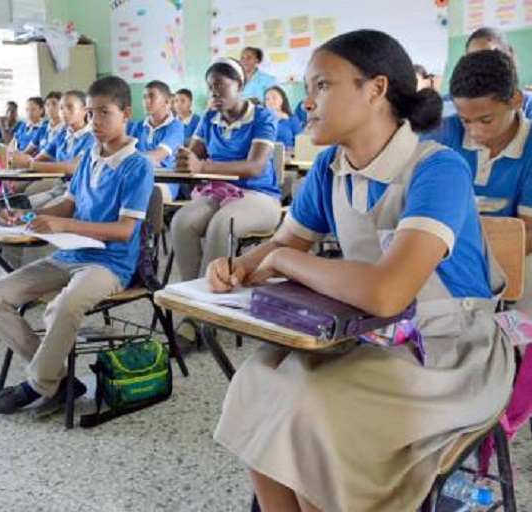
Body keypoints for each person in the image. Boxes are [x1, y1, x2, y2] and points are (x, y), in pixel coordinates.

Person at [208, 30, 513, 511]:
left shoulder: (438, 170)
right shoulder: (330, 167)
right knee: (258, 379)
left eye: (323, 85)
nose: (307, 102)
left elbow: (387, 293)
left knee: (315, 406)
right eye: (308, 88)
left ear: (376, 89)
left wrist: (282, 261)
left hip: (449, 350)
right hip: (368, 333)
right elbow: (284, 242)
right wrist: (240, 265)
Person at [0, 75, 154, 414]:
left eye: (104, 113)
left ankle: (37, 384)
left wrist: (64, 224)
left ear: (126, 113)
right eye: (91, 113)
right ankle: (57, 379)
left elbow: (124, 231)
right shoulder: (89, 156)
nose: (95, 121)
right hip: (69, 254)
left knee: (63, 306)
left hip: (110, 263)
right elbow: (69, 204)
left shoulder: (138, 165)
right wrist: (30, 216)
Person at [424, 49, 532, 312]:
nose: (474, 132)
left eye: (486, 120)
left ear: (516, 100)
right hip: (444, 265)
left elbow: (526, 234)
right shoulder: (441, 134)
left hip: (508, 262)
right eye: (465, 120)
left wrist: (472, 273)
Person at [171, 58, 282, 281]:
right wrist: (184, 160)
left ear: (239, 85)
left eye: (221, 85)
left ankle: (208, 296)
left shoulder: (263, 117)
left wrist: (202, 166)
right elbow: (193, 155)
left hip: (260, 196)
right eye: (211, 87)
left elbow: (255, 166)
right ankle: (190, 292)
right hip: (219, 192)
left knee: (222, 225)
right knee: (181, 222)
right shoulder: (209, 118)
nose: (214, 93)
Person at [10, 91, 95, 208]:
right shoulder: (63, 134)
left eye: (70, 107)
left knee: (36, 208)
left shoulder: (92, 136)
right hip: (60, 185)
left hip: (79, 189)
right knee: (22, 204)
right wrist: (20, 162)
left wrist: (29, 164)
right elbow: (41, 157)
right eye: (61, 108)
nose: (64, 112)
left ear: (85, 110)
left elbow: (73, 168)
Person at [442, 27, 532, 118]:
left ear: (510, 55)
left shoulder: (528, 104)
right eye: (473, 60)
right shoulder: (448, 105)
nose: (482, 68)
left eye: (491, 58)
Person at [127, 80, 184, 201]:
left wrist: (129, 158)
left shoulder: (175, 126)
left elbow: (158, 155)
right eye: (144, 97)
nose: (146, 101)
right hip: (137, 177)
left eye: (152, 96)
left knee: (144, 191)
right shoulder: (136, 126)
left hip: (165, 182)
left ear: (167, 102)